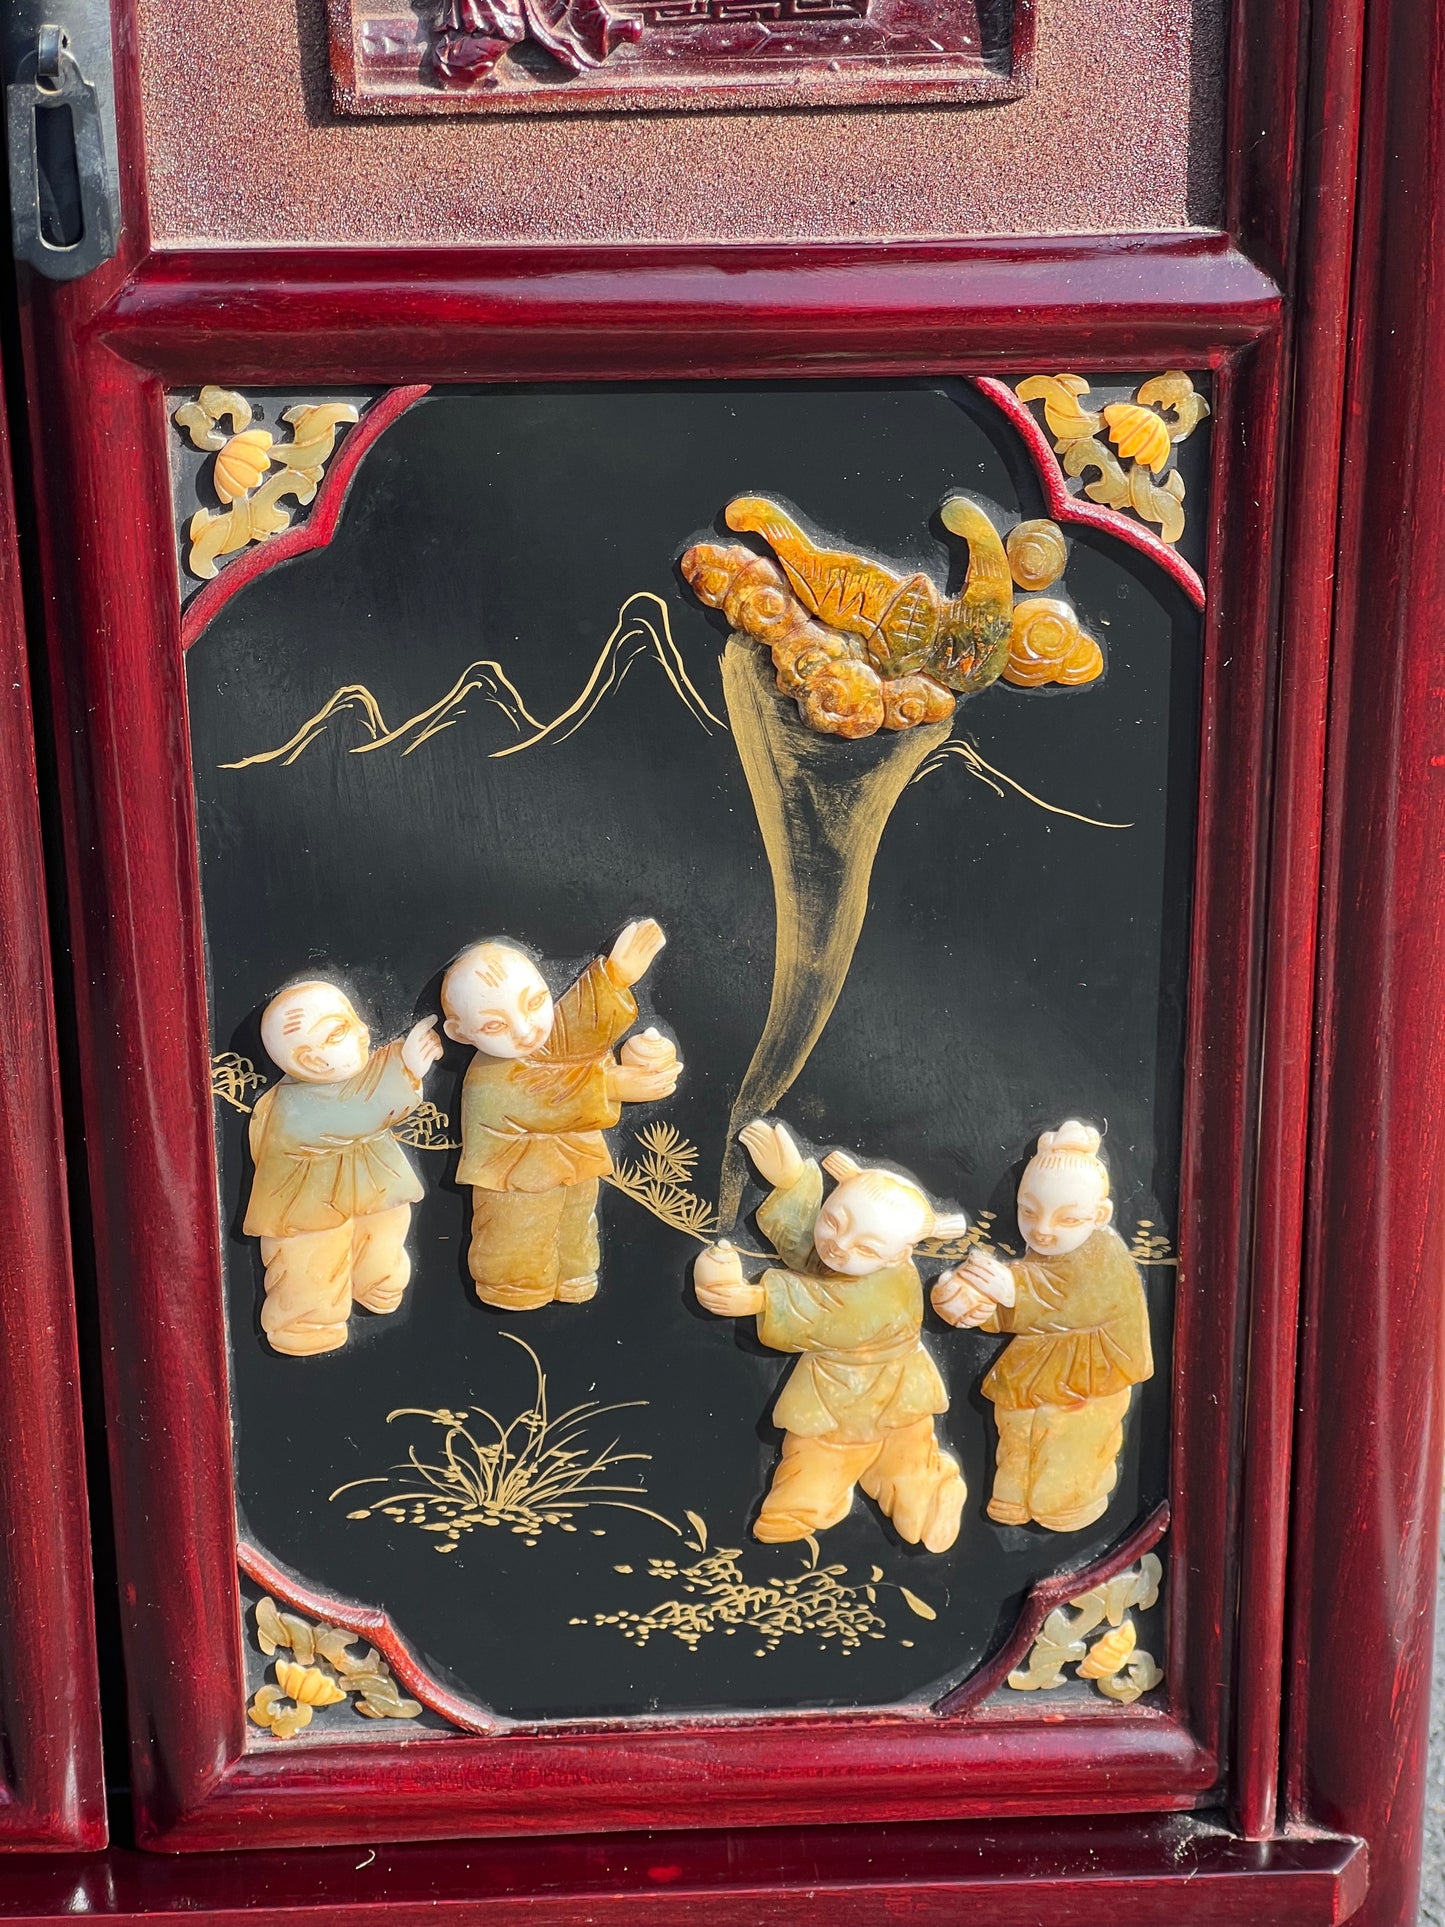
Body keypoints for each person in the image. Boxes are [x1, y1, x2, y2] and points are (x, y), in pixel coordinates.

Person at [694, 1120, 970, 1553]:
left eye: (866, 1246)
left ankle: (934, 1500)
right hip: (835, 1389)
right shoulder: (847, 1259)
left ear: (899, 1253)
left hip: (890, 1389)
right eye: (834, 1219)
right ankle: (794, 1516)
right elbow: (809, 1250)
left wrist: (759, 1300)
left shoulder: (890, 1288)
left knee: (903, 1466)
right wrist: (792, 1182)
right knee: (812, 1462)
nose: (840, 1246)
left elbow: (835, 1315)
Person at [442, 919, 680, 1311]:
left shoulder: (538, 1038)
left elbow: (571, 1031)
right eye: (495, 1024)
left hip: (572, 1162)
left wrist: (614, 978)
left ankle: (573, 1275)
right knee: (517, 1235)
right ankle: (514, 1289)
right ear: (461, 1033)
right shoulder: (488, 1076)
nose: (524, 1029)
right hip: (514, 1180)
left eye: (534, 1002)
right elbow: (540, 1096)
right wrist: (613, 1085)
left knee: (576, 1225)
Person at [932, 1120, 1153, 1532]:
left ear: (1100, 1215)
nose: (1043, 1230)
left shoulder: (1106, 1255)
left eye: (1066, 1219)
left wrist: (1010, 1285)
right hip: (1037, 1365)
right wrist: (975, 1309)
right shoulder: (1040, 1255)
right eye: (1029, 1212)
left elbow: (1071, 1300)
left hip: (1090, 1376)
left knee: (1069, 1441)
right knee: (1018, 1431)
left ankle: (1067, 1504)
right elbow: (1027, 1311)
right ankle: (1013, 1498)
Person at [244, 981, 443, 1357]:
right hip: (305, 1205)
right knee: (309, 1266)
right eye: (301, 1054)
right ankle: (306, 1327)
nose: (318, 1057)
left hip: (373, 1184)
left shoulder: (360, 1076)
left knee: (384, 1236)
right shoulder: (289, 1108)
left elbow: (365, 1086)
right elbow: (358, 1112)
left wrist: (401, 1061)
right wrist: (408, 1070)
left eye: (342, 1028)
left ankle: (378, 1284)